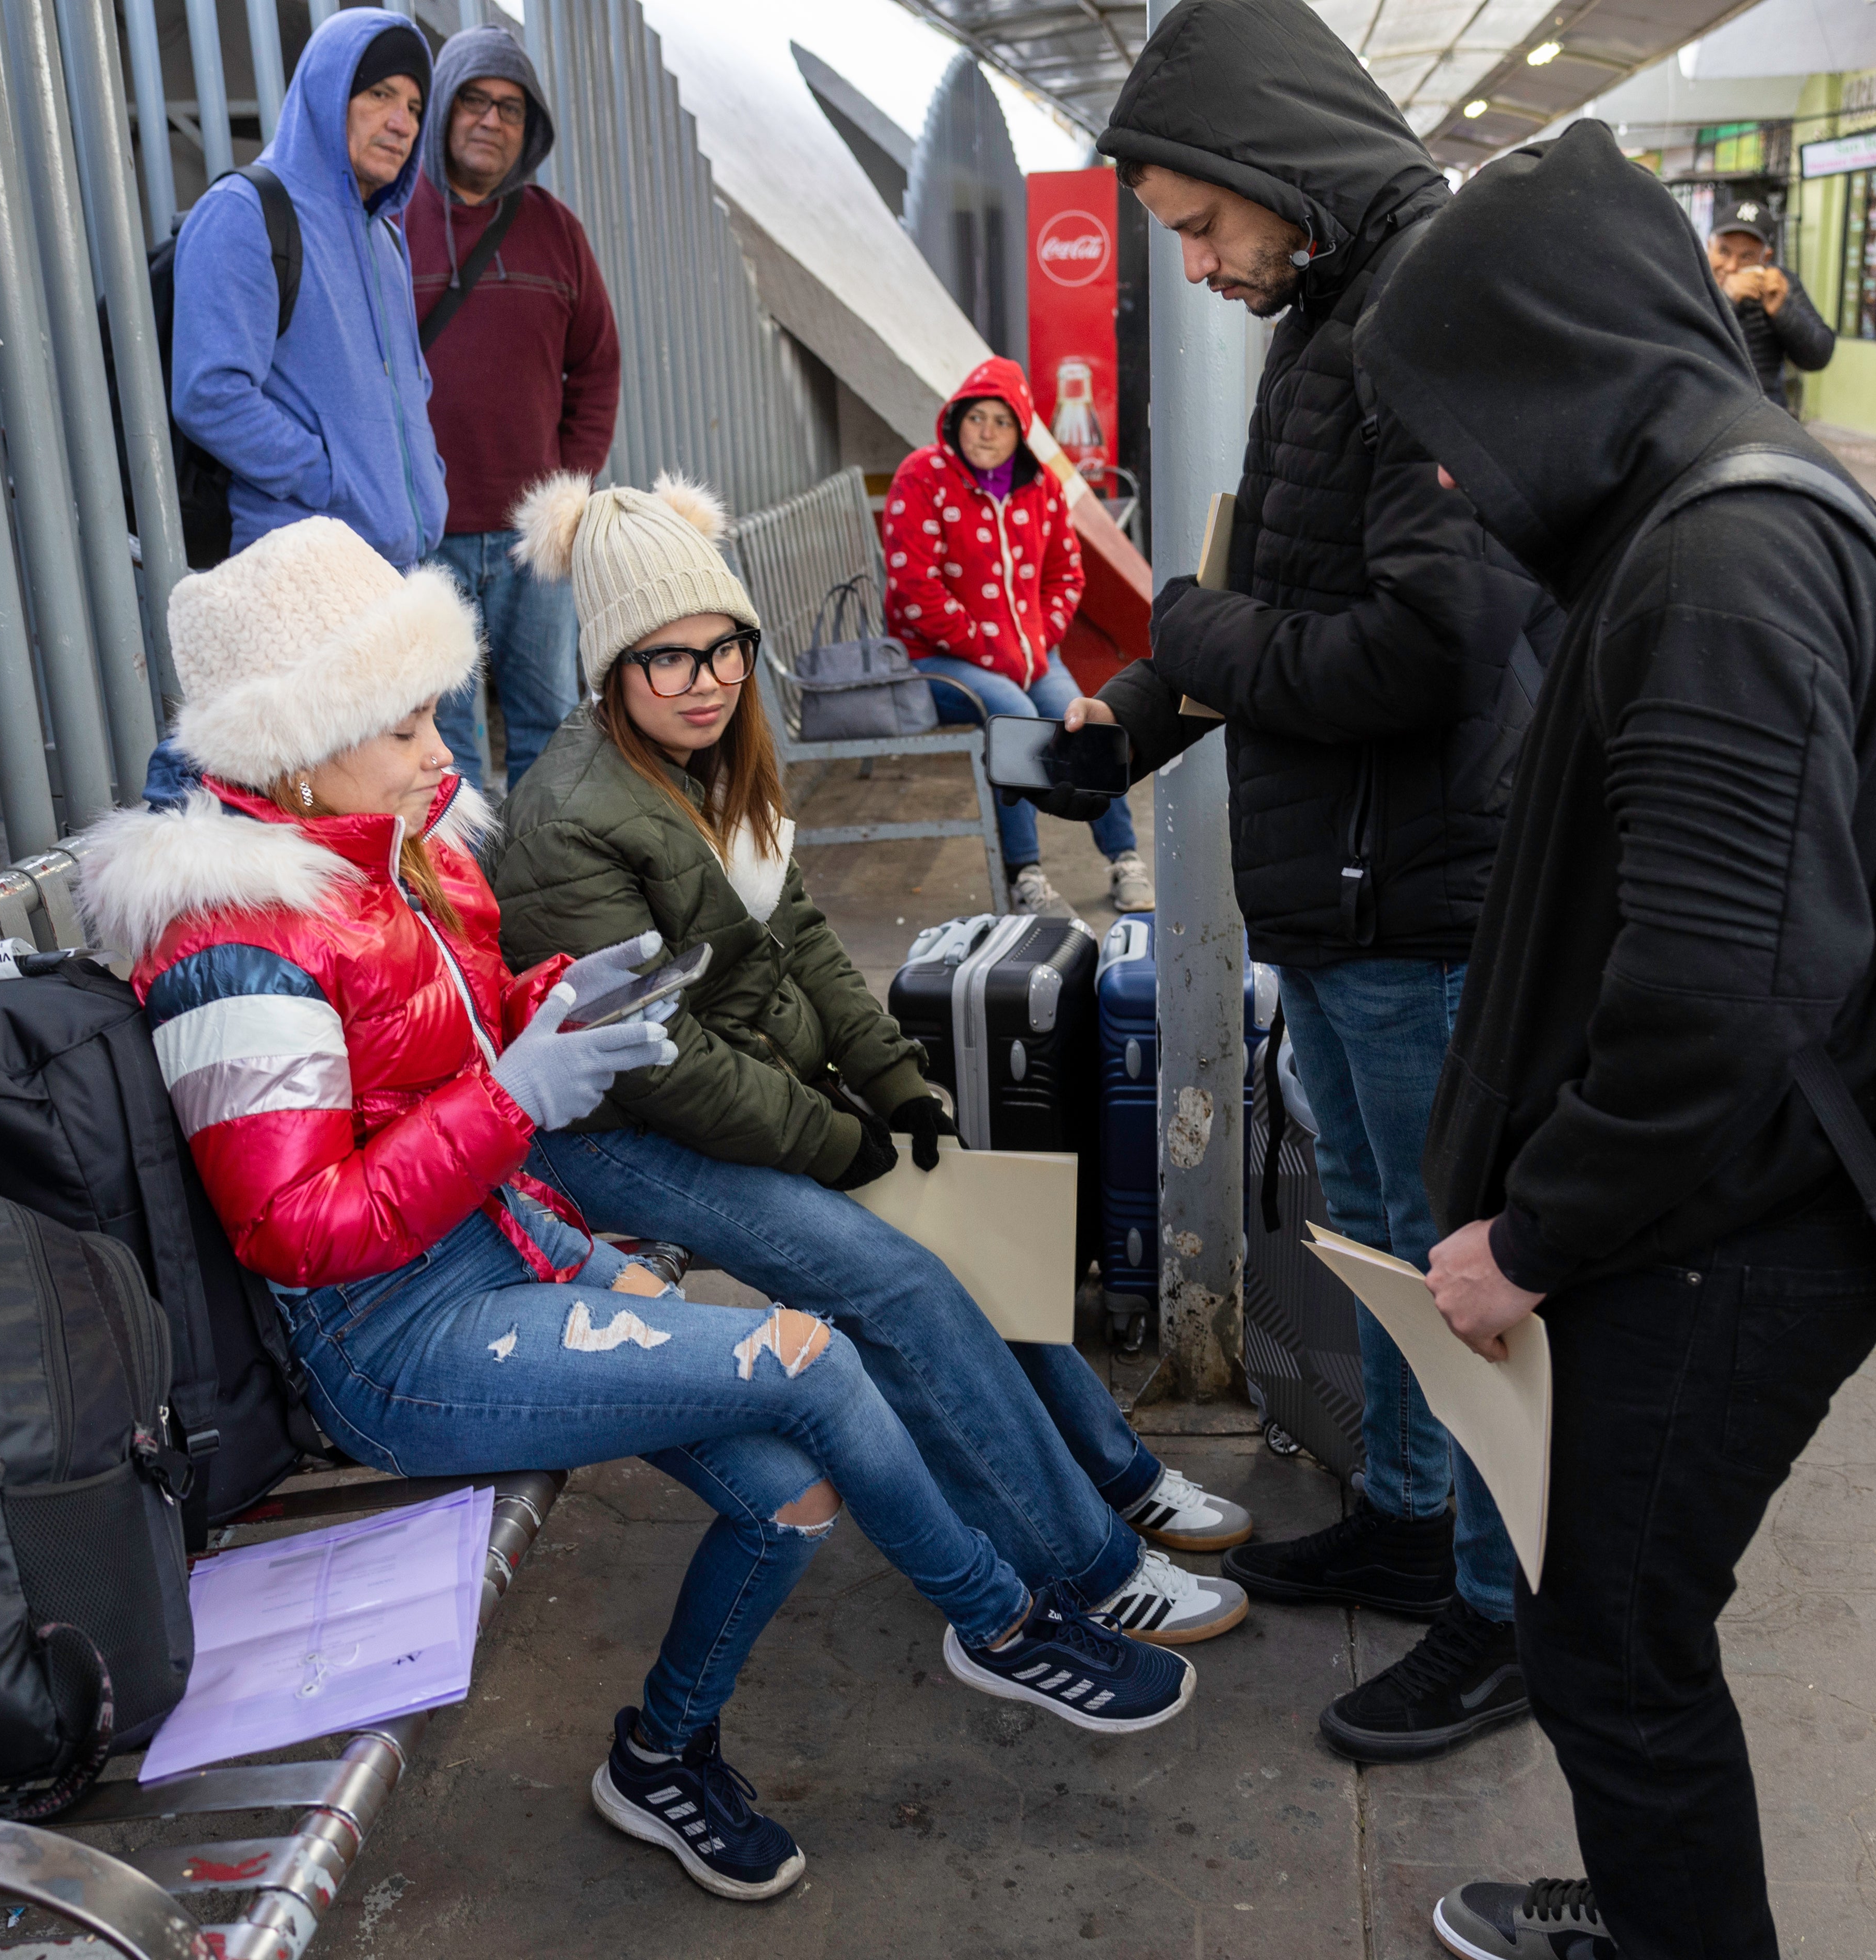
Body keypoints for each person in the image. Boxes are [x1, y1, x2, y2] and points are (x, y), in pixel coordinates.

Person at [74, 518, 1193, 1903]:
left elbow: (466, 1079)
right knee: (814, 1353)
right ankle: (1000, 1618)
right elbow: (298, 1227)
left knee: (796, 1478)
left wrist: (542, 1030)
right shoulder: (230, 934)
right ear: (295, 745)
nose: (441, 752)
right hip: (393, 1344)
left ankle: (659, 1752)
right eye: (402, 723)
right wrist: (519, 1095)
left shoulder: (400, 857)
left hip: (499, 1256)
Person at [1353, 119, 1876, 1960]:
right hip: (1724, 1215)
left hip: (1727, 1241)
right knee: (1621, 1630)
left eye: (1452, 408)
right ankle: (1652, 1895)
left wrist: (1531, 1235)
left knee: (1608, 1649)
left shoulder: (1722, 564)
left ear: (1550, 357)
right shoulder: (1721, 500)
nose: (1446, 465)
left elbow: (1716, 990)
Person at [487, 471, 1255, 1647]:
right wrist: (838, 1137)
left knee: (964, 1216)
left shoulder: (715, 758)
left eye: (727, 648)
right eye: (669, 659)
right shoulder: (568, 820)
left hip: (745, 1092)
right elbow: (661, 1063)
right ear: (609, 668)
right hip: (622, 1136)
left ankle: (1116, 1473)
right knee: (897, 1280)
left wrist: (895, 1080)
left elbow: (802, 938)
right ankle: (1088, 1567)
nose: (709, 683)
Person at [1050, 0, 1560, 1768]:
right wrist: (1134, 706)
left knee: (1462, 1267)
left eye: (1201, 224)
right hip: (1351, 880)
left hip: (1422, 895)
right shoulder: (1344, 302)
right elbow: (1302, 574)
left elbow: (1430, 640)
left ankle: (1500, 1614)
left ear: (1279, 171)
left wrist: (1175, 627)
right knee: (1373, 1225)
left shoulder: (1415, 315)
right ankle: (1416, 1525)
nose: (1191, 264)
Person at [408, 24, 619, 793]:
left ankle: (543, 890)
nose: (491, 120)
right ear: (442, 110)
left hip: (536, 539)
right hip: (424, 531)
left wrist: (569, 486)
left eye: (510, 108)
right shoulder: (389, 224)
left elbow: (597, 363)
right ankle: (468, 902)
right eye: (474, 101)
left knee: (553, 724)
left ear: (529, 131)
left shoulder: (557, 230)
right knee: (442, 738)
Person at [170, 10, 443, 570]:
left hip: (396, 577)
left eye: (414, 108)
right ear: (328, 94)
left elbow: (410, 391)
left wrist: (425, 485)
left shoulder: (386, 242)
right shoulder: (244, 213)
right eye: (379, 94)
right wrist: (329, 480)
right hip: (299, 573)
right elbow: (210, 393)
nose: (401, 123)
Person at [880, 359, 1151, 915]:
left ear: (1019, 430)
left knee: (1087, 717)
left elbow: (1065, 575)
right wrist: (996, 652)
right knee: (1014, 714)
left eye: (1001, 422)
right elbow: (916, 590)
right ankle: (1024, 873)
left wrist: (1038, 636)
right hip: (936, 658)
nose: (986, 431)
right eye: (975, 417)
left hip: (1029, 651)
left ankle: (1123, 857)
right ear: (954, 420)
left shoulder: (1042, 486)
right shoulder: (920, 476)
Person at [1706, 201, 1831, 405]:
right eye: (1723, 252)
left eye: (1746, 257)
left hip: (1764, 415)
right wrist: (1726, 300)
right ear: (1708, 246)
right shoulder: (1690, 283)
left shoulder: (1779, 284)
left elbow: (1819, 355)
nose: (1731, 267)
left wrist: (1783, 310)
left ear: (1766, 258)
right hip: (1704, 415)